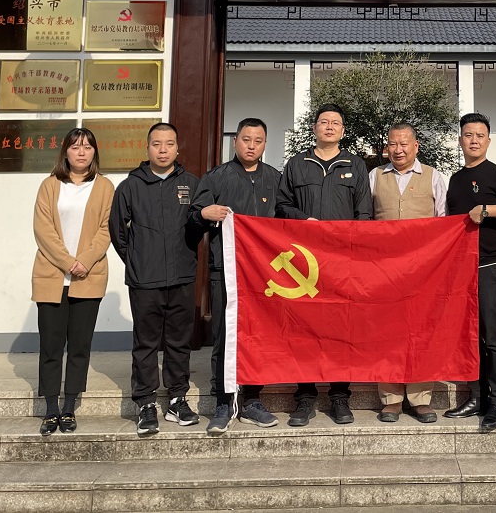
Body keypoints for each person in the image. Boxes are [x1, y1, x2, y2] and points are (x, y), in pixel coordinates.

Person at [276, 103, 374, 426]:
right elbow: (281, 205)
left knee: (340, 328)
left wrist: (354, 251)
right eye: (324, 122)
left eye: (335, 123)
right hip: (304, 264)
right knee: (304, 330)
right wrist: (304, 220)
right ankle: (304, 398)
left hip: (342, 263)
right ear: (315, 127)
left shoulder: (355, 165)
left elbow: (364, 214)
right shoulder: (297, 164)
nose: (329, 127)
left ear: (342, 130)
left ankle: (339, 396)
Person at [189, 117, 282, 433]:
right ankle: (223, 401)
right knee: (225, 337)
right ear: (235, 141)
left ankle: (253, 400)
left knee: (259, 337)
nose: (251, 146)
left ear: (265, 144)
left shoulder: (275, 179)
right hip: (225, 271)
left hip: (264, 275)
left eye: (258, 140)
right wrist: (204, 213)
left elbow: (287, 222)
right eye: (246, 139)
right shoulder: (216, 178)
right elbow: (192, 220)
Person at [109, 122, 202, 437]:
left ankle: (177, 398)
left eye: (169, 144)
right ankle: (145, 402)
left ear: (177, 148)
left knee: (179, 341)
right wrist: (136, 259)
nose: (163, 150)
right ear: (147, 147)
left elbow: (199, 224)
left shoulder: (191, 183)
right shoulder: (130, 186)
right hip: (144, 279)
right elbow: (118, 231)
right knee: (146, 342)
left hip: (182, 276)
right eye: (157, 144)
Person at [443, 112, 496, 433]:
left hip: (490, 266)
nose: (474, 140)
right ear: (460, 140)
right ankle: (476, 396)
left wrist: (488, 210)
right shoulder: (455, 179)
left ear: (488, 141)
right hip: (461, 270)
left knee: (492, 337)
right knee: (468, 335)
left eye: (480, 135)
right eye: (468, 135)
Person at [31, 127, 114, 436]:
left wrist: (85, 261)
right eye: (75, 146)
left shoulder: (105, 186)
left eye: (88, 147)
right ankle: (51, 409)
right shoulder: (49, 185)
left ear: (94, 153)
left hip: (88, 277)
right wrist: (68, 262)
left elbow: (107, 228)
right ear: (65, 151)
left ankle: (69, 407)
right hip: (51, 275)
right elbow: (43, 230)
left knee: (79, 346)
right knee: (51, 346)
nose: (81, 152)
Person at [368, 122, 448, 424]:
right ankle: (390, 399)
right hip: (384, 270)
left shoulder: (434, 176)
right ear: (386, 147)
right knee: (386, 333)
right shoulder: (375, 176)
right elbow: (364, 221)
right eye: (393, 144)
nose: (398, 150)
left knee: (421, 332)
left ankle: (420, 398)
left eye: (404, 144)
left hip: (422, 271)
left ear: (416, 146)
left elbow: (444, 222)